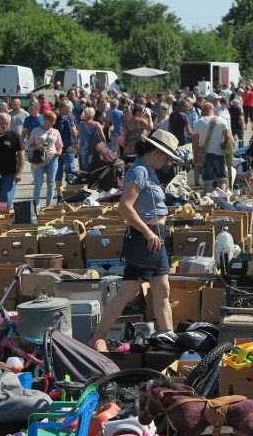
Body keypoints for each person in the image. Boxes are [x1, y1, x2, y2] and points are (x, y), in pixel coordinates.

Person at [88, 130, 180, 352]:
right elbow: (125, 206)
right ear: (157, 152)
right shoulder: (139, 171)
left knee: (162, 289)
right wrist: (148, 233)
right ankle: (96, 338)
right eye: (167, 156)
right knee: (128, 291)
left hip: (154, 237)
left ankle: (169, 338)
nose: (168, 161)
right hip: (145, 238)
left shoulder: (148, 171)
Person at [193, 101, 232, 193]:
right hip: (219, 154)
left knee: (208, 182)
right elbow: (228, 139)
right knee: (222, 179)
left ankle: (211, 202)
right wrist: (229, 155)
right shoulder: (222, 121)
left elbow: (195, 142)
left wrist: (195, 155)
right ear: (214, 110)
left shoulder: (198, 122)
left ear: (203, 111)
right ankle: (220, 200)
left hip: (205, 155)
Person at [28, 111, 63, 210]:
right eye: (50, 120)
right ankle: (36, 205)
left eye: (54, 120)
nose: (52, 122)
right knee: (38, 183)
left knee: (51, 182)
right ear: (45, 120)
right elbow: (29, 146)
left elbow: (60, 146)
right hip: (39, 161)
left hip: (52, 160)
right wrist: (37, 147)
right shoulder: (36, 131)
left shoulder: (56, 132)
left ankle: (48, 205)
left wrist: (59, 152)